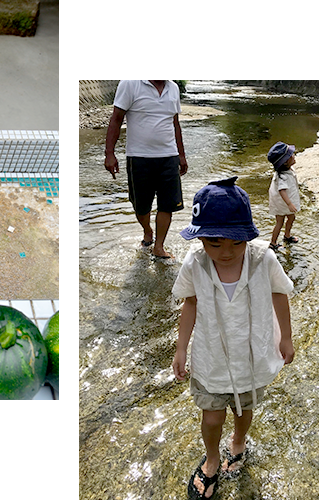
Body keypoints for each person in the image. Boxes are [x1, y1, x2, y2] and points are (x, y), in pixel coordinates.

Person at [171, 177, 295, 499]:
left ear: (248, 238)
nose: (226, 252)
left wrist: (286, 338)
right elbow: (191, 304)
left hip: (250, 355)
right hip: (211, 357)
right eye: (214, 243)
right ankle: (212, 457)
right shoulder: (195, 264)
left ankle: (238, 441)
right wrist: (181, 348)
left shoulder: (263, 260)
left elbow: (280, 294)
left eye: (236, 243)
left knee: (244, 409)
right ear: (199, 238)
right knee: (211, 416)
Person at [104, 78, 188, 259]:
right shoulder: (130, 83)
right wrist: (109, 153)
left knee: (168, 205)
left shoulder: (173, 88)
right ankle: (148, 230)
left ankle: (159, 246)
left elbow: (175, 124)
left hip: (169, 157)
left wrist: (181, 155)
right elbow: (116, 119)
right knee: (141, 206)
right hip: (139, 157)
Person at [267, 141, 301, 251]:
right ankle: (273, 243)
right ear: (285, 162)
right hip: (282, 203)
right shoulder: (281, 176)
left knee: (291, 217)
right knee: (279, 222)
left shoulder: (288, 170)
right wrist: (289, 204)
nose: (294, 155)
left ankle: (287, 236)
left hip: (286, 201)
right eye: (291, 155)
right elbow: (282, 191)